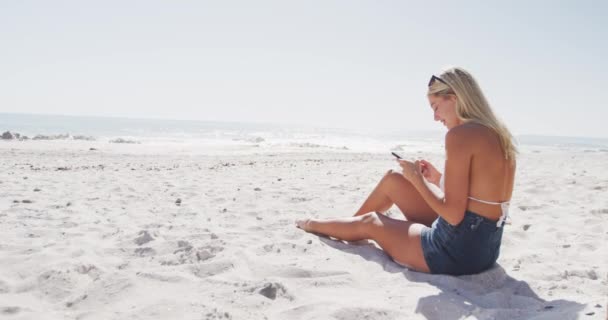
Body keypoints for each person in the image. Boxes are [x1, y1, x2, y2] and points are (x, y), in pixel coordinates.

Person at [296, 67, 517, 275]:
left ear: (454, 97)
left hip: (454, 253)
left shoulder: (460, 135)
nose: (436, 117)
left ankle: (312, 224)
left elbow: (453, 214)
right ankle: (350, 227)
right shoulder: (497, 133)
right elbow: (481, 197)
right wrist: (436, 179)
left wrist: (417, 180)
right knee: (393, 180)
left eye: (436, 107)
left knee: (372, 221)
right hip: (484, 250)